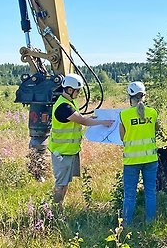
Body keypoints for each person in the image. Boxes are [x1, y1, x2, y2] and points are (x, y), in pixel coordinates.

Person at [47, 73, 113, 208]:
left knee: (65, 183)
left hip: (68, 151)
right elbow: (82, 121)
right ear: (70, 90)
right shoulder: (63, 107)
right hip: (62, 153)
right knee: (61, 184)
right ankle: (54, 210)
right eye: (77, 91)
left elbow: (78, 117)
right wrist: (103, 122)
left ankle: (58, 208)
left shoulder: (69, 103)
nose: (79, 93)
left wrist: (93, 119)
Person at [119, 81, 159, 226]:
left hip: (131, 162)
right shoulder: (153, 113)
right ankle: (150, 224)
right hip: (150, 159)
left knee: (129, 195)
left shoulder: (124, 115)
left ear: (130, 96)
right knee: (150, 193)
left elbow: (122, 137)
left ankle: (126, 226)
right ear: (144, 96)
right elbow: (156, 129)